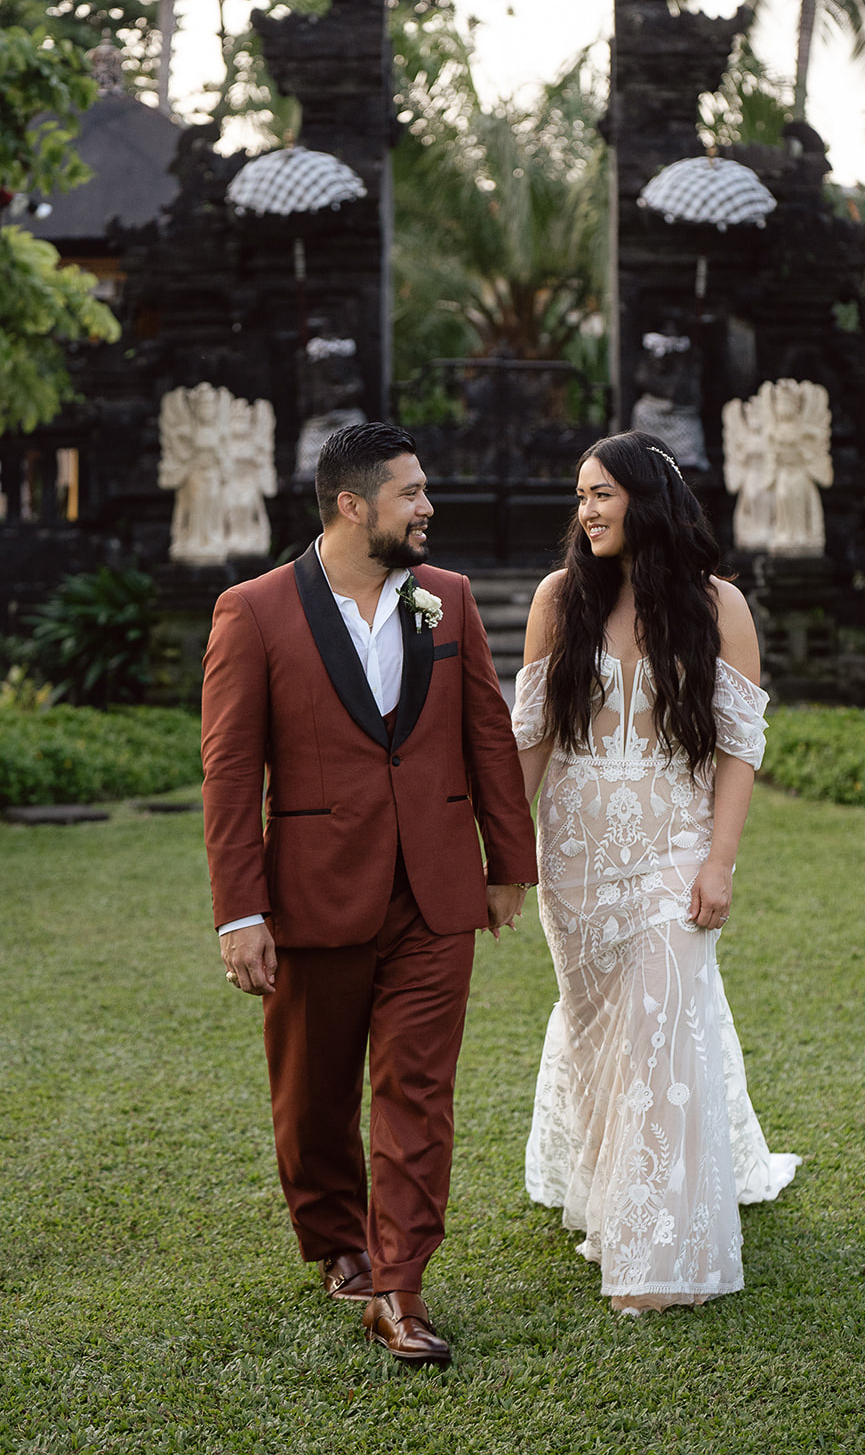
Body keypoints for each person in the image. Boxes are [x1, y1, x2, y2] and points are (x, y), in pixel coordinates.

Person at [200, 421, 537, 1367]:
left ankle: (399, 1285)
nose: (429, 508)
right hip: (313, 897)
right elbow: (229, 775)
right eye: (411, 494)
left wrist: (507, 862)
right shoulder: (254, 612)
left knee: (418, 1093)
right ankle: (336, 1237)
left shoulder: (449, 601)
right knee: (312, 1093)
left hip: (434, 894)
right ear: (354, 507)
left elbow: (484, 730)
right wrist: (241, 911)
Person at [512, 430, 799, 1316]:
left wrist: (719, 864)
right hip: (574, 857)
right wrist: (497, 853)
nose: (586, 510)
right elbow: (528, 739)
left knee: (664, 1025)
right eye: (580, 494)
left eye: (601, 492)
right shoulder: (560, 598)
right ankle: (605, 1185)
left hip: (672, 848)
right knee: (607, 1032)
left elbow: (739, 749)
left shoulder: (719, 608)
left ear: (648, 498)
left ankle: (660, 1256)